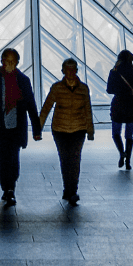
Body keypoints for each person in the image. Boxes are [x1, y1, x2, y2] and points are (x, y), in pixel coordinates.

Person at [0, 47, 41, 207]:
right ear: (2, 61)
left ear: (17, 63)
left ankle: (10, 189)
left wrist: (36, 129)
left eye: (13, 62)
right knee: (2, 160)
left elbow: (31, 105)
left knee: (13, 160)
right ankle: (6, 187)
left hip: (15, 128)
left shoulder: (23, 81)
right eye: (7, 61)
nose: (10, 65)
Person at [39, 58, 94, 206]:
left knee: (75, 160)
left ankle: (72, 191)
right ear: (63, 71)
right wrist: (39, 128)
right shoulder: (56, 88)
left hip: (78, 129)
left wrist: (90, 130)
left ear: (76, 71)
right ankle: (68, 189)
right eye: (67, 69)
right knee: (65, 160)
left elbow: (88, 110)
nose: (70, 72)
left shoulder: (84, 89)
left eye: (73, 69)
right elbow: (46, 107)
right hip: (60, 130)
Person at [106, 49, 133, 169]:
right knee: (129, 135)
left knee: (116, 133)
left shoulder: (114, 71)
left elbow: (109, 90)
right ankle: (128, 162)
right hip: (131, 103)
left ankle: (122, 153)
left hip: (118, 103)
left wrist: (118, 90)